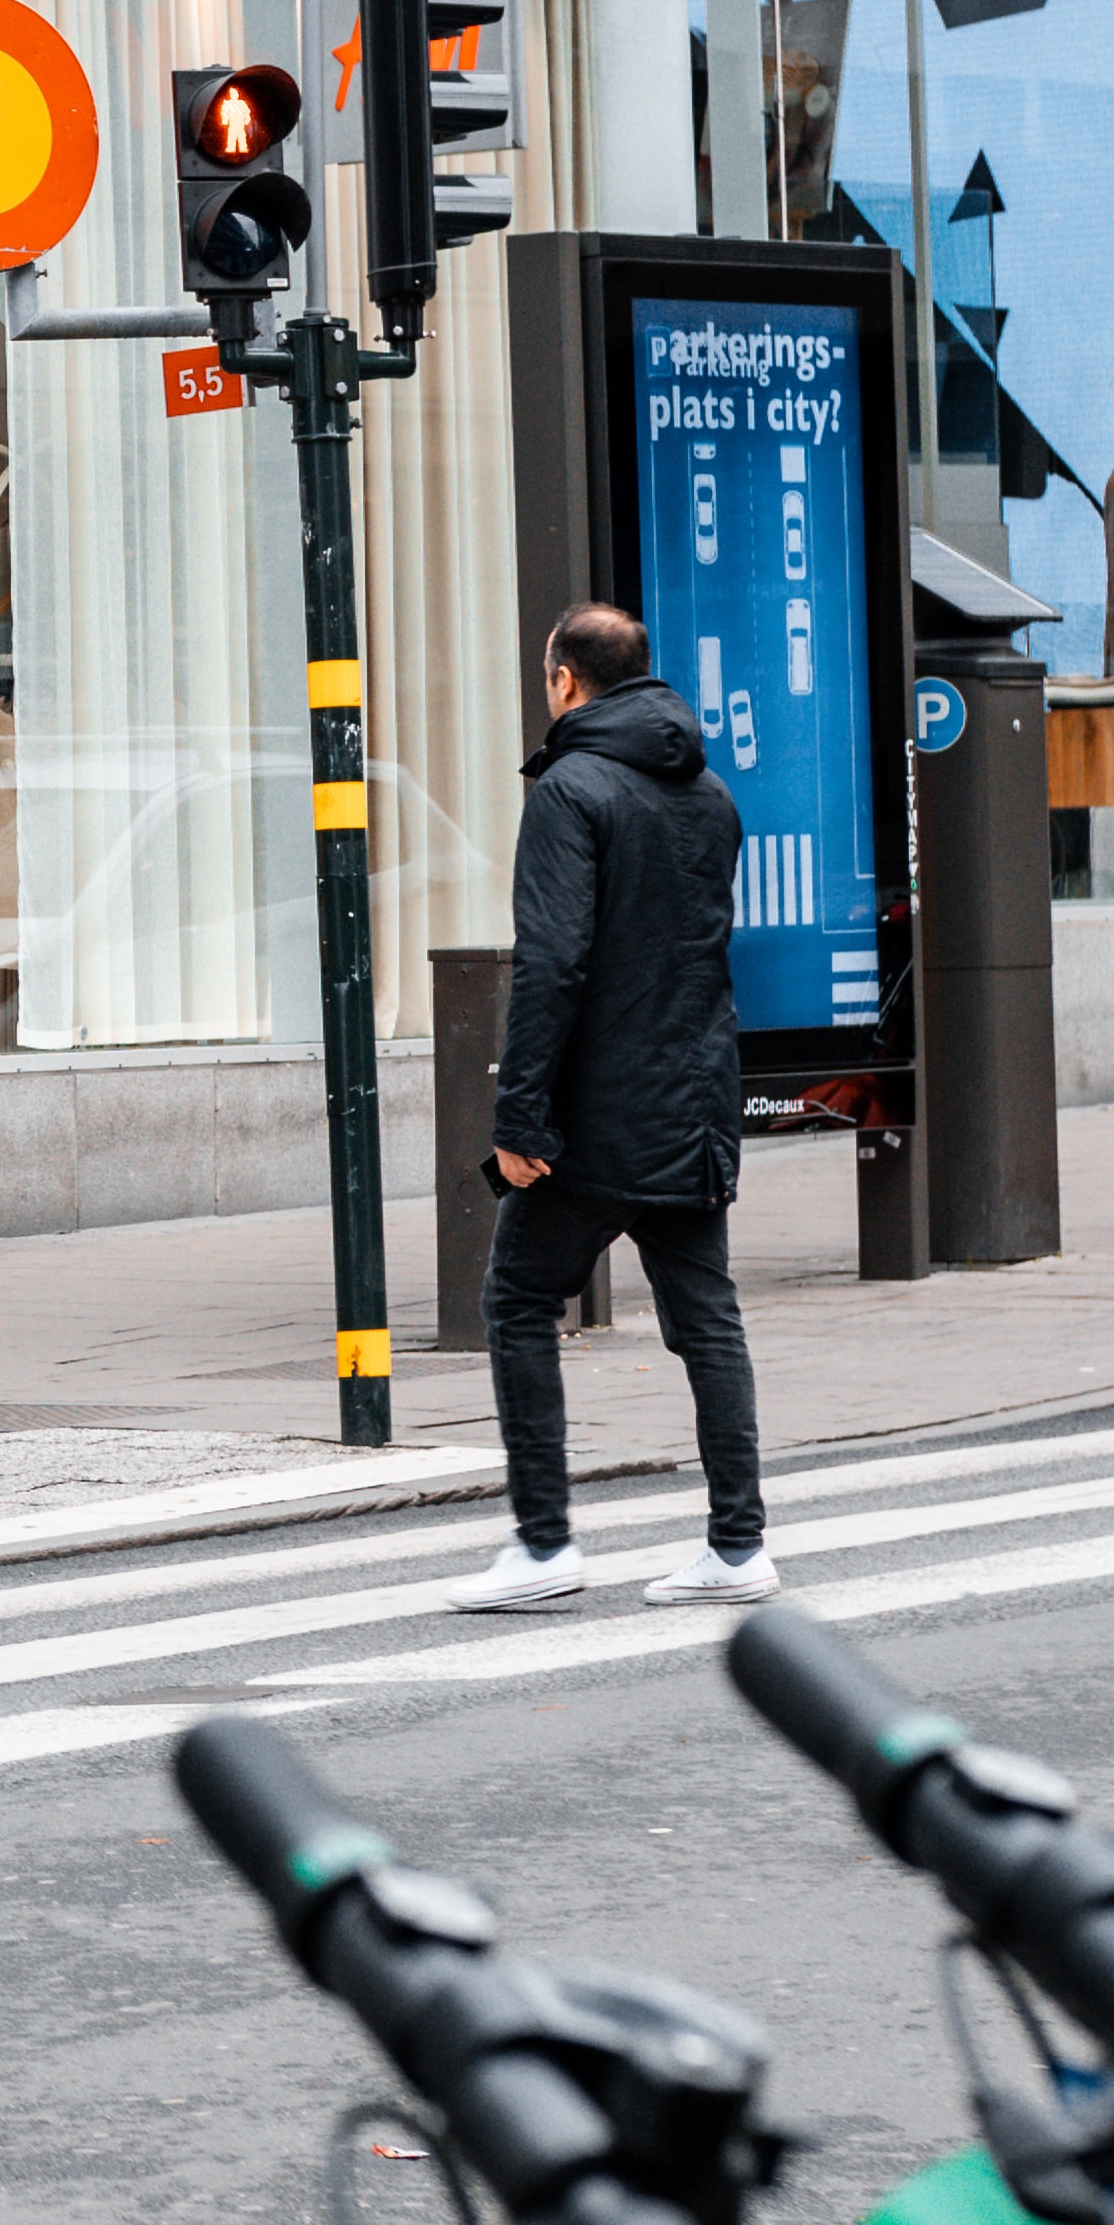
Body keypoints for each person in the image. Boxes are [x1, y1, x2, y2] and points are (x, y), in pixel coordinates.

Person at [454, 602, 774, 1613]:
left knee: (515, 1299)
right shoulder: (710, 794)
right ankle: (738, 1543)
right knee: (706, 1320)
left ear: (563, 682)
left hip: (597, 1117)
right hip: (693, 1103)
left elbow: (552, 965)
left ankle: (544, 1542)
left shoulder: (569, 791)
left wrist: (521, 1122)